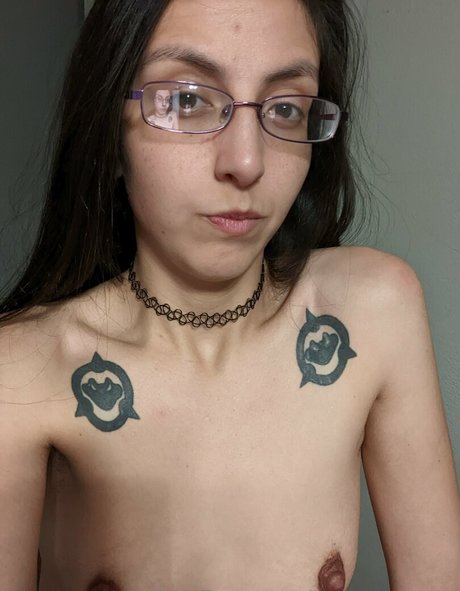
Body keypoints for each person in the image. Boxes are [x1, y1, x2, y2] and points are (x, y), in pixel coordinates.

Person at [0, 0, 459, 590]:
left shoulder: (376, 312)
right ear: (108, 133)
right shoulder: (23, 373)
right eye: (187, 99)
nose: (246, 163)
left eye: (286, 108)